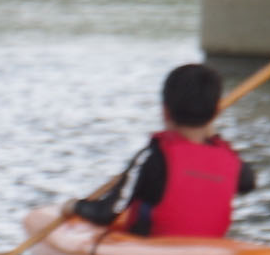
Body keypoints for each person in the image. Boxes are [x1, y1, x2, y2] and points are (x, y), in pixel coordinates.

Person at [68, 62, 258, 238]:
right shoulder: (231, 161)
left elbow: (107, 213)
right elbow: (248, 183)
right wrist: (212, 134)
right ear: (216, 112)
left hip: (153, 247)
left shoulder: (154, 157)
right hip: (206, 250)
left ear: (165, 111)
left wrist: (75, 207)